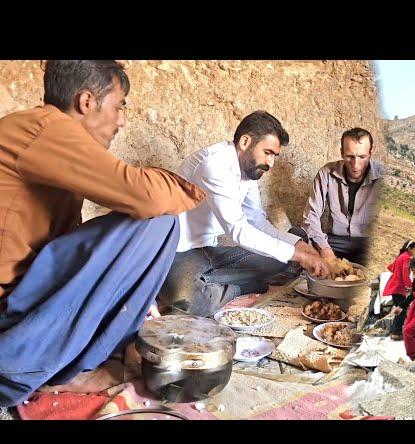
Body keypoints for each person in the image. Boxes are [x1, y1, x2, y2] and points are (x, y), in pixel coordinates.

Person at [0, 60, 205, 406]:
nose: (122, 120)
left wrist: (133, 292)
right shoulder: (46, 128)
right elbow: (147, 196)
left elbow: (68, 248)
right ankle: (65, 369)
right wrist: (193, 192)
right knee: (158, 221)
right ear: (86, 102)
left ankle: (64, 358)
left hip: (23, 307)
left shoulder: (40, 137)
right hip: (11, 328)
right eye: (119, 105)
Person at [158, 111, 330, 316]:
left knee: (288, 257)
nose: (271, 163)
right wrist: (298, 255)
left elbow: (256, 221)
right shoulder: (213, 165)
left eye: (274, 155)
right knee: (185, 298)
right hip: (180, 252)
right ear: (245, 141)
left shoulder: (249, 172)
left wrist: (297, 245)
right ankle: (238, 290)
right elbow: (238, 231)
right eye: (267, 152)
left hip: (210, 250)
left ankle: (215, 282)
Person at [301, 128, 384, 266]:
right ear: (341, 153)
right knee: (297, 237)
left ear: (370, 153)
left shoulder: (383, 176)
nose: (356, 165)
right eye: (350, 157)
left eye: (362, 157)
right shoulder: (326, 173)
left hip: (366, 244)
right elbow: (310, 216)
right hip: (334, 242)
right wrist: (325, 250)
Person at [383, 240, 415, 341]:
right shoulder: (407, 258)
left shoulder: (401, 256)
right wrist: (410, 286)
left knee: (400, 309)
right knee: (402, 310)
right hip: (398, 288)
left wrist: (396, 275)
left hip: (395, 286)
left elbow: (391, 267)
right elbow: (405, 275)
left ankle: (395, 331)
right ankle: (396, 333)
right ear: (409, 249)